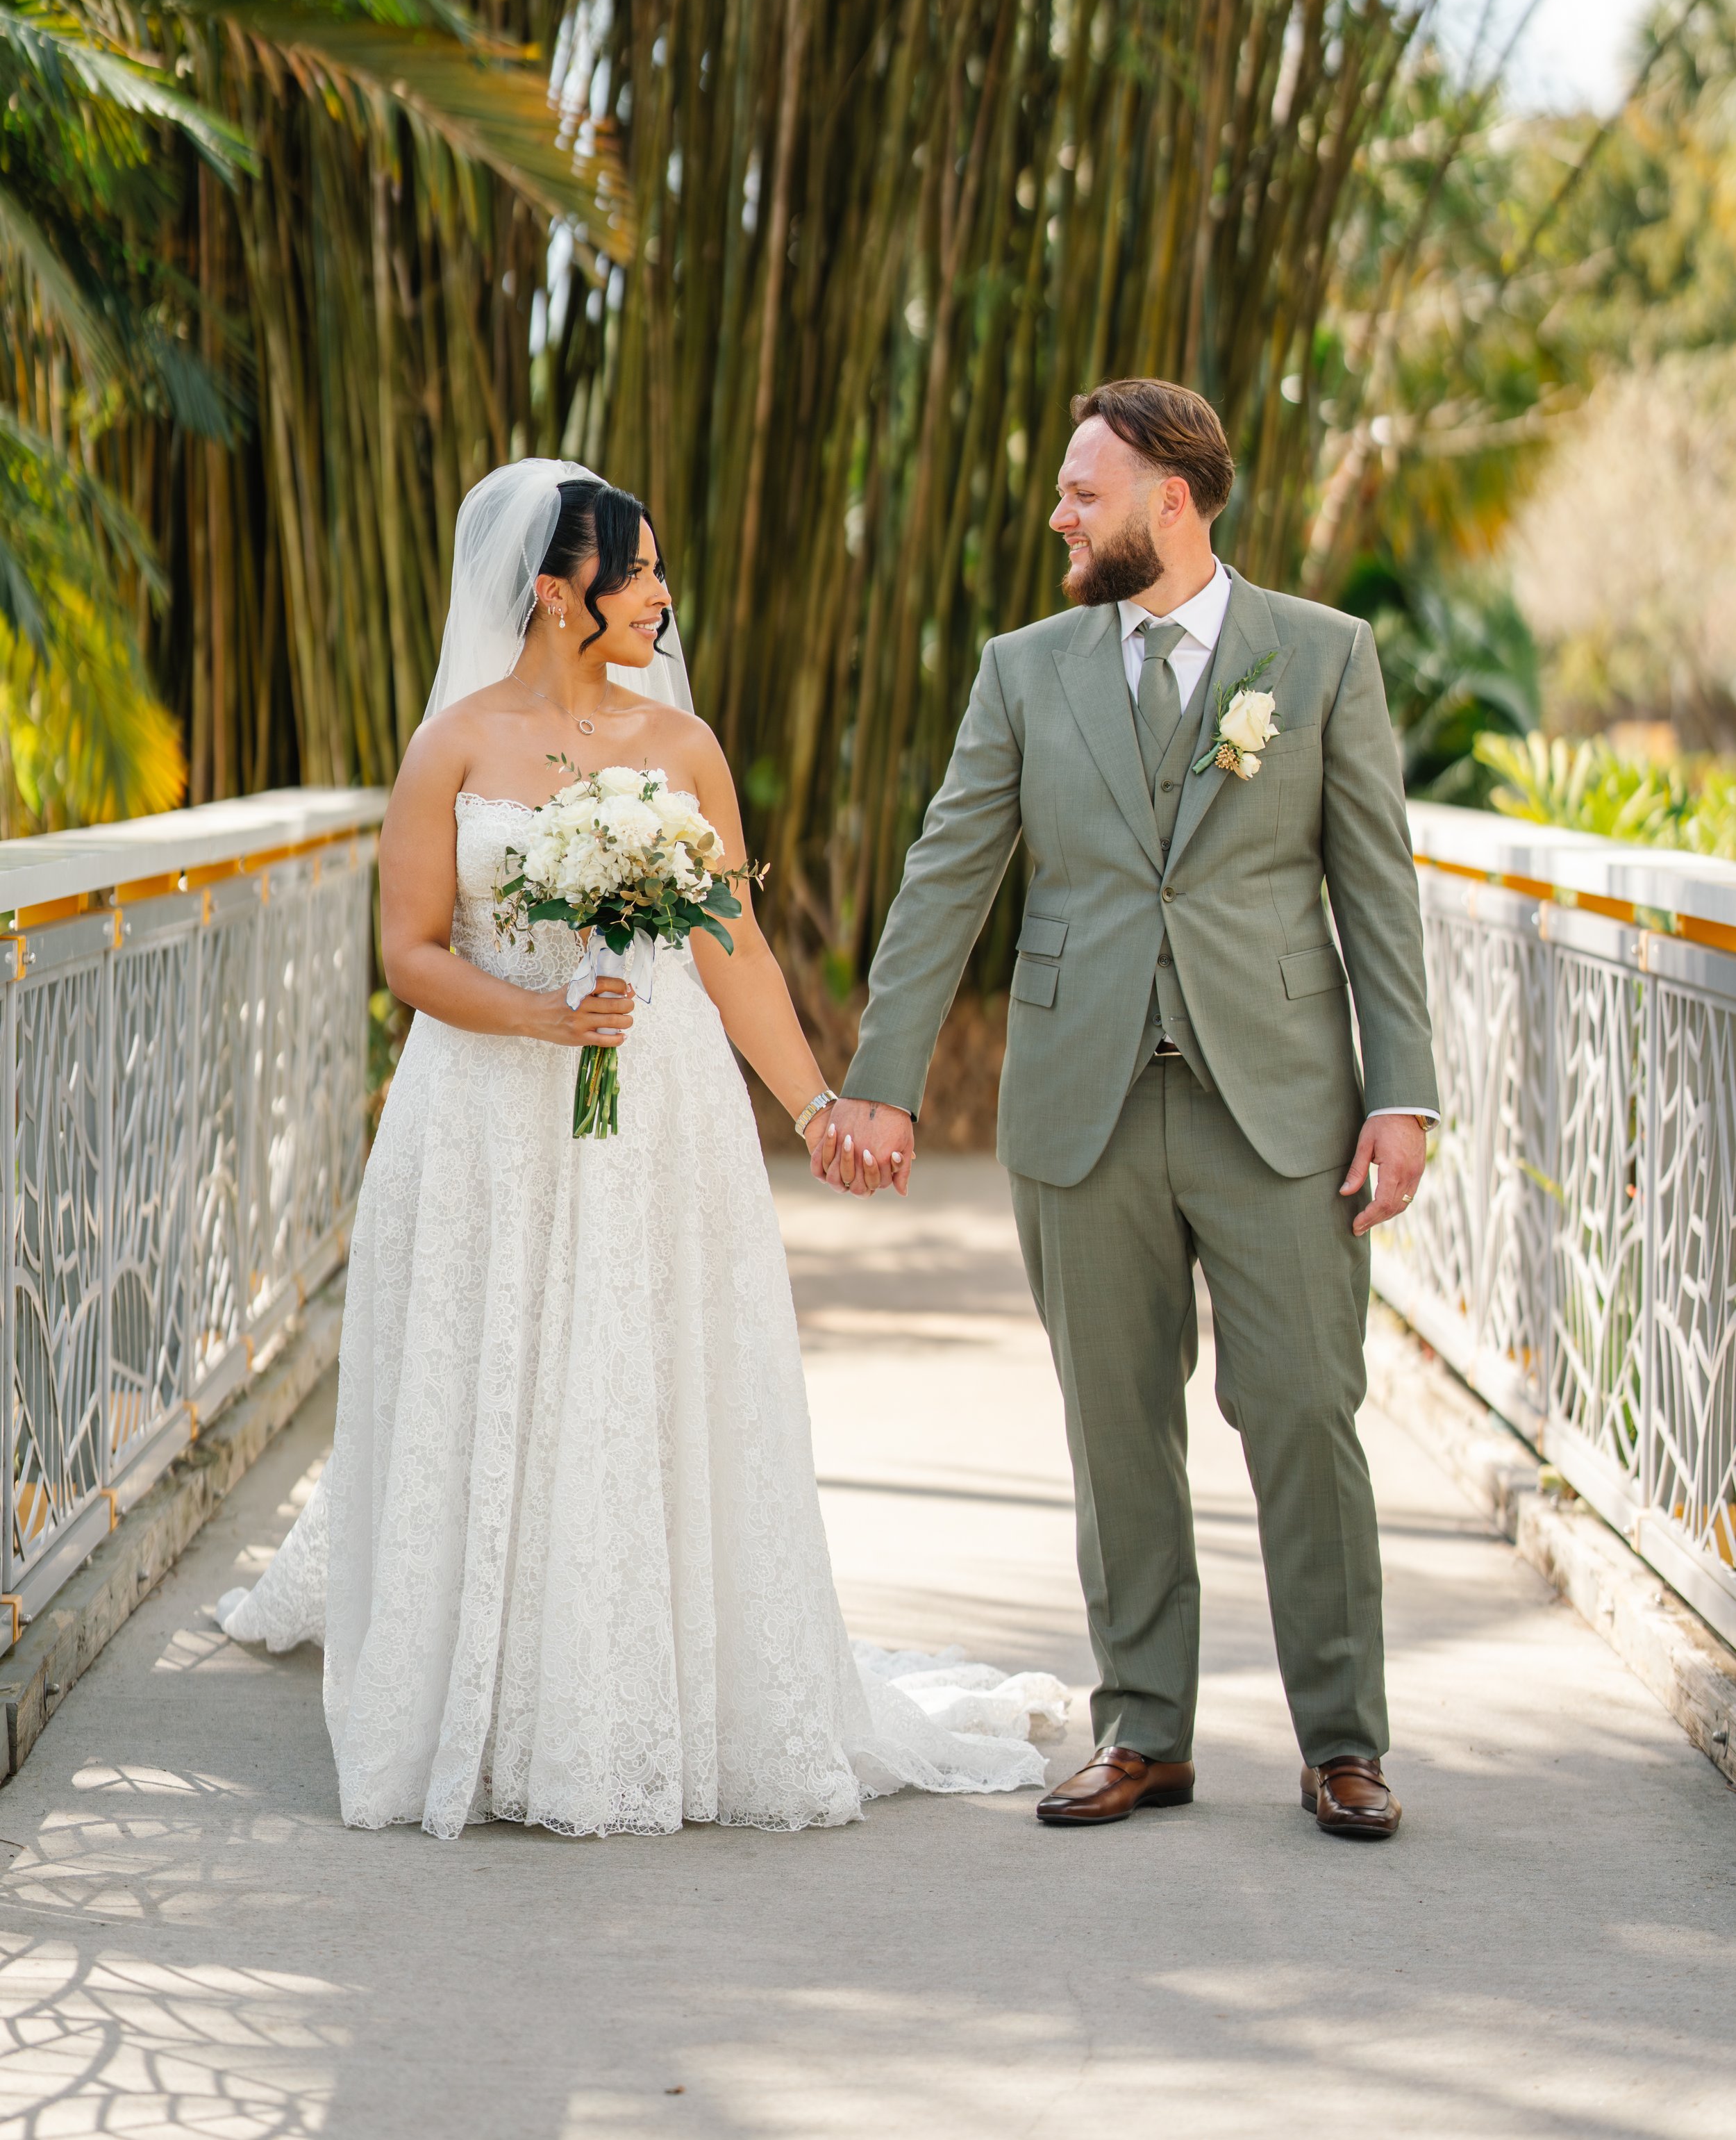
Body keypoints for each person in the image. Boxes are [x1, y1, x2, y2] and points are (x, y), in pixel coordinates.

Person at [217, 459, 1065, 1839]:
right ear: (556, 595)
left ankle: (624, 1696)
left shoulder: (684, 753)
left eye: (663, 571)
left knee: (633, 1386)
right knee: (497, 1382)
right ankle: (483, 1700)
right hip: (486, 1115)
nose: (664, 597)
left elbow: (728, 950)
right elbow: (411, 956)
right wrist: (540, 1015)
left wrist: (813, 1108)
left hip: (653, 1114)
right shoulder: (454, 748)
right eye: (641, 573)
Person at [818, 380, 1438, 1841]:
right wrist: (880, 1083)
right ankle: (1142, 1731)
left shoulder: (1321, 656)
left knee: (1301, 1414)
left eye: (1081, 492)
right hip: (1077, 1100)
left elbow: (1376, 892)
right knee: (1114, 1431)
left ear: (1172, 498)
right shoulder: (1022, 670)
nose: (1058, 514)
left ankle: (1341, 1742)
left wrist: (1400, 1096)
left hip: (1278, 1104)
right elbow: (945, 878)